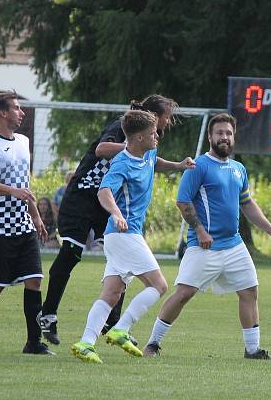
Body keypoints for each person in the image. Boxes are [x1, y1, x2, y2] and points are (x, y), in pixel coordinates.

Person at [142, 113, 271, 360]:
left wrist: (270, 229)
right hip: (204, 246)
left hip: (234, 245)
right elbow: (183, 201)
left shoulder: (238, 169)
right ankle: (152, 344)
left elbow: (247, 203)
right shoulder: (198, 166)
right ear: (210, 136)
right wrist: (199, 230)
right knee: (183, 294)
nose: (224, 137)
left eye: (229, 133)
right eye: (219, 133)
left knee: (250, 291)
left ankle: (252, 350)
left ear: (234, 137)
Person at [37, 95, 179, 346]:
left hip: (108, 201)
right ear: (154, 116)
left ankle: (112, 324)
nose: (168, 123)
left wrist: (178, 165)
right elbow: (101, 150)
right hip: (83, 195)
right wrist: (129, 149)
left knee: (122, 262)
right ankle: (48, 313)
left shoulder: (146, 146)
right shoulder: (123, 129)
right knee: (71, 252)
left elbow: (152, 162)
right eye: (167, 116)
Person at [70, 109, 194, 364]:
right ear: (137, 138)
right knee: (159, 285)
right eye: (152, 133)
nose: (157, 135)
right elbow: (104, 191)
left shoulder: (148, 152)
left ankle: (85, 343)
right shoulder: (122, 163)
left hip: (123, 236)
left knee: (112, 293)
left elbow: (156, 162)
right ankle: (121, 329)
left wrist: (179, 166)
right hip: (123, 233)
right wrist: (116, 213)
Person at [0, 92, 51, 355]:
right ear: (3, 113)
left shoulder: (24, 142)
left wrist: (35, 215)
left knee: (34, 280)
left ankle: (33, 342)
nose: (21, 113)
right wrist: (13, 191)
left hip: (23, 223)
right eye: (16, 108)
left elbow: (25, 184)